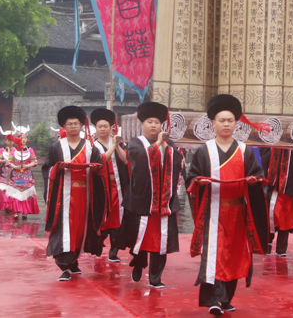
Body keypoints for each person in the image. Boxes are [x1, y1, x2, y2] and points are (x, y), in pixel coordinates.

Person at [187, 95, 268, 316]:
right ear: (213, 123)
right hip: (214, 211)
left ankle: (226, 298)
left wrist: (253, 182)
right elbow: (191, 177)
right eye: (221, 120)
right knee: (215, 254)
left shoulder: (245, 151)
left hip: (238, 213)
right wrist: (198, 182)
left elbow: (258, 176)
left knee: (235, 256)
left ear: (236, 123)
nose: (225, 124)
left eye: (230, 120)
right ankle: (215, 299)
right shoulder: (205, 151)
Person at [121, 102, 184, 290]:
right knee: (140, 239)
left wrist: (168, 149)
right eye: (150, 121)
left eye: (157, 122)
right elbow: (139, 159)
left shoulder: (169, 144)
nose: (154, 126)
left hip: (164, 203)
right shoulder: (135, 143)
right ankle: (139, 263)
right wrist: (158, 145)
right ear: (142, 124)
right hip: (142, 202)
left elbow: (177, 164)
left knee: (161, 241)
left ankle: (156, 277)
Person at [44, 106, 105, 281]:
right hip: (63, 197)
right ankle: (64, 265)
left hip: (84, 196)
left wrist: (95, 169)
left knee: (80, 230)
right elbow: (47, 168)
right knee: (64, 229)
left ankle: (73, 261)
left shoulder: (90, 148)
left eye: (75, 124)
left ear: (81, 126)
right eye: (69, 124)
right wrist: (57, 168)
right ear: (63, 126)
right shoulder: (56, 147)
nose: (72, 127)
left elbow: (99, 168)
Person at [90, 108, 129, 263]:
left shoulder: (119, 143)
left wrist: (118, 145)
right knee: (102, 217)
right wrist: (112, 146)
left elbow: (126, 160)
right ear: (96, 128)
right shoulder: (93, 146)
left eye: (106, 126)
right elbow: (100, 161)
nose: (103, 129)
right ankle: (98, 243)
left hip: (118, 186)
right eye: (100, 126)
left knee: (118, 217)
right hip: (101, 187)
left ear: (111, 127)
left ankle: (114, 250)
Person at [261, 146, 293, 256]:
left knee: (285, 220)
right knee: (268, 217)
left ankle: (281, 249)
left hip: (288, 190)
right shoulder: (268, 146)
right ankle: (267, 245)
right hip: (271, 189)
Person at [5, 132, 39, 220]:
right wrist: (15, 166)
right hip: (16, 175)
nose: (23, 140)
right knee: (16, 193)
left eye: (25, 138)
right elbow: (8, 162)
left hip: (26, 175)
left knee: (26, 193)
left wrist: (27, 166)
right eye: (21, 138)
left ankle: (25, 211)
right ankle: (16, 211)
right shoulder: (13, 150)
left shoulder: (30, 150)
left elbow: (35, 162)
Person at [0, 133, 17, 213]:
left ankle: (11, 205)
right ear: (6, 141)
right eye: (8, 140)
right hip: (3, 173)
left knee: (12, 189)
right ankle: (6, 204)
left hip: (13, 173)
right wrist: (5, 161)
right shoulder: (2, 150)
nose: (10, 142)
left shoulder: (16, 151)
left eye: (11, 141)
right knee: (3, 189)